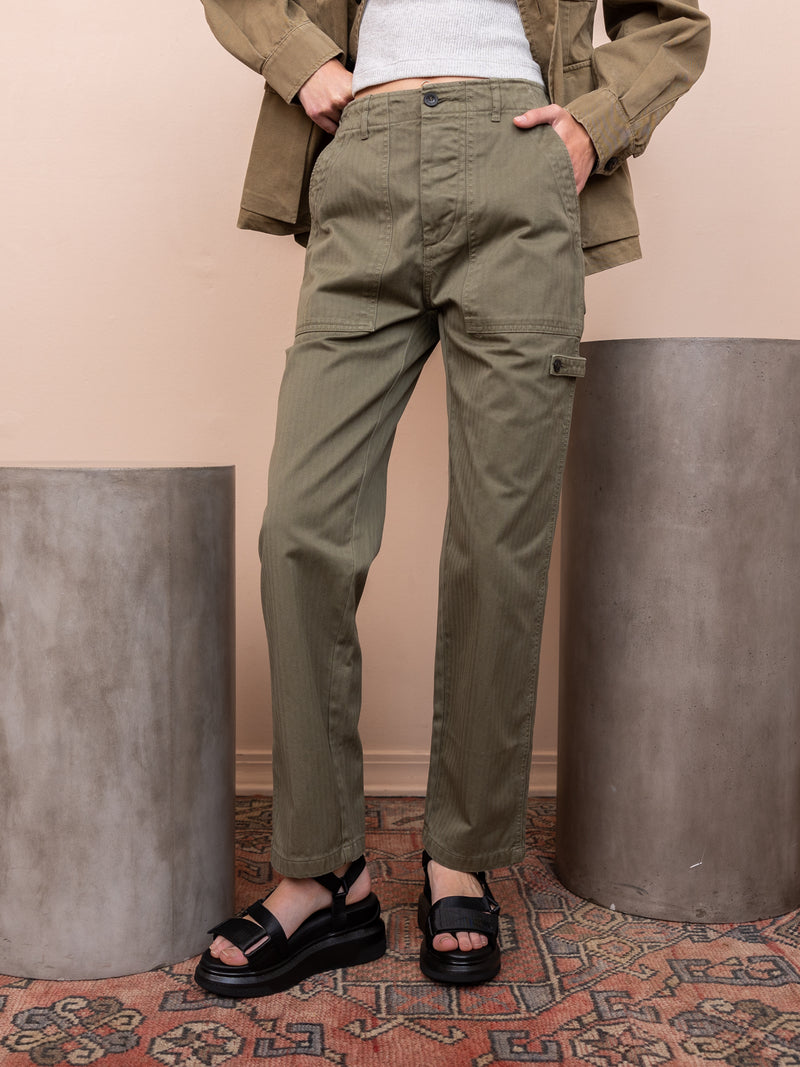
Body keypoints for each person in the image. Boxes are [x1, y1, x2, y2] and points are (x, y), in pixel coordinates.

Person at [194, 0, 710, 997]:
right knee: (300, 531)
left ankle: (460, 858)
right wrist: (302, 61)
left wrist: (592, 126)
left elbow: (672, 24)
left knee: (497, 541)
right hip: (364, 162)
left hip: (518, 158)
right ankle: (323, 874)